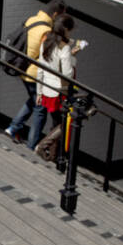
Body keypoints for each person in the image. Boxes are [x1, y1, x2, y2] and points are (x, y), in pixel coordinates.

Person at [3, 0, 66, 147]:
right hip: (35, 74)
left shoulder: (32, 19)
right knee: (40, 109)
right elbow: (47, 56)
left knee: (33, 101)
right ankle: (32, 144)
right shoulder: (46, 31)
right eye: (61, 16)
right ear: (55, 14)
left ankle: (14, 127)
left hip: (23, 68)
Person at [33, 14, 80, 151]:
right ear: (65, 29)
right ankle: (44, 147)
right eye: (70, 30)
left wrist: (39, 92)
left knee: (56, 123)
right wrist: (72, 57)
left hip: (48, 89)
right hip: (60, 91)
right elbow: (67, 74)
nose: (70, 32)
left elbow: (40, 70)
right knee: (64, 124)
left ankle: (51, 153)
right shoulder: (64, 48)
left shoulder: (46, 42)